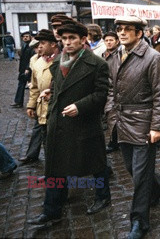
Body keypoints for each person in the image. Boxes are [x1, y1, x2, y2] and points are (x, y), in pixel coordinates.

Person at [28, 22, 111, 227]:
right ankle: (52, 210)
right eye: (64, 39)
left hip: (84, 123)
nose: (67, 42)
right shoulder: (58, 62)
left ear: (83, 40)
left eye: (72, 38)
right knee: (56, 166)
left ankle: (103, 196)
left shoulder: (97, 64)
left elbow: (102, 95)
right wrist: (50, 92)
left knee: (96, 164)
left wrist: (80, 106)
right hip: (59, 122)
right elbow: (59, 86)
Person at [105, 16, 160, 239]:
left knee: (140, 176)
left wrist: (158, 127)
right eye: (119, 29)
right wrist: (110, 112)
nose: (121, 33)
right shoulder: (114, 56)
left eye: (127, 29)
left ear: (139, 33)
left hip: (144, 124)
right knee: (133, 169)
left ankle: (139, 221)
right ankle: (159, 185)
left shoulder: (153, 58)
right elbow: (111, 89)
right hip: (121, 122)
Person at [19, 30, 59, 164]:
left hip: (57, 107)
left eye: (43, 43)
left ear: (53, 44)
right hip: (42, 107)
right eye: (38, 44)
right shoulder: (37, 62)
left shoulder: (61, 60)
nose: (39, 47)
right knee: (45, 138)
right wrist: (31, 105)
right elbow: (34, 87)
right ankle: (51, 171)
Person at [102, 31, 121, 153]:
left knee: (113, 117)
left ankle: (114, 142)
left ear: (117, 41)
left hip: (115, 90)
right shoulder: (104, 55)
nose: (108, 42)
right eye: (106, 40)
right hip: (106, 89)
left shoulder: (119, 55)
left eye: (111, 40)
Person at [10, 31, 34, 108]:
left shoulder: (32, 46)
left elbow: (32, 59)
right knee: (21, 85)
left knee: (33, 86)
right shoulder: (24, 45)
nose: (25, 38)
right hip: (23, 69)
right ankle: (18, 102)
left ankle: (33, 103)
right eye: (24, 37)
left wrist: (28, 68)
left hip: (29, 69)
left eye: (27, 36)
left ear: (30, 37)